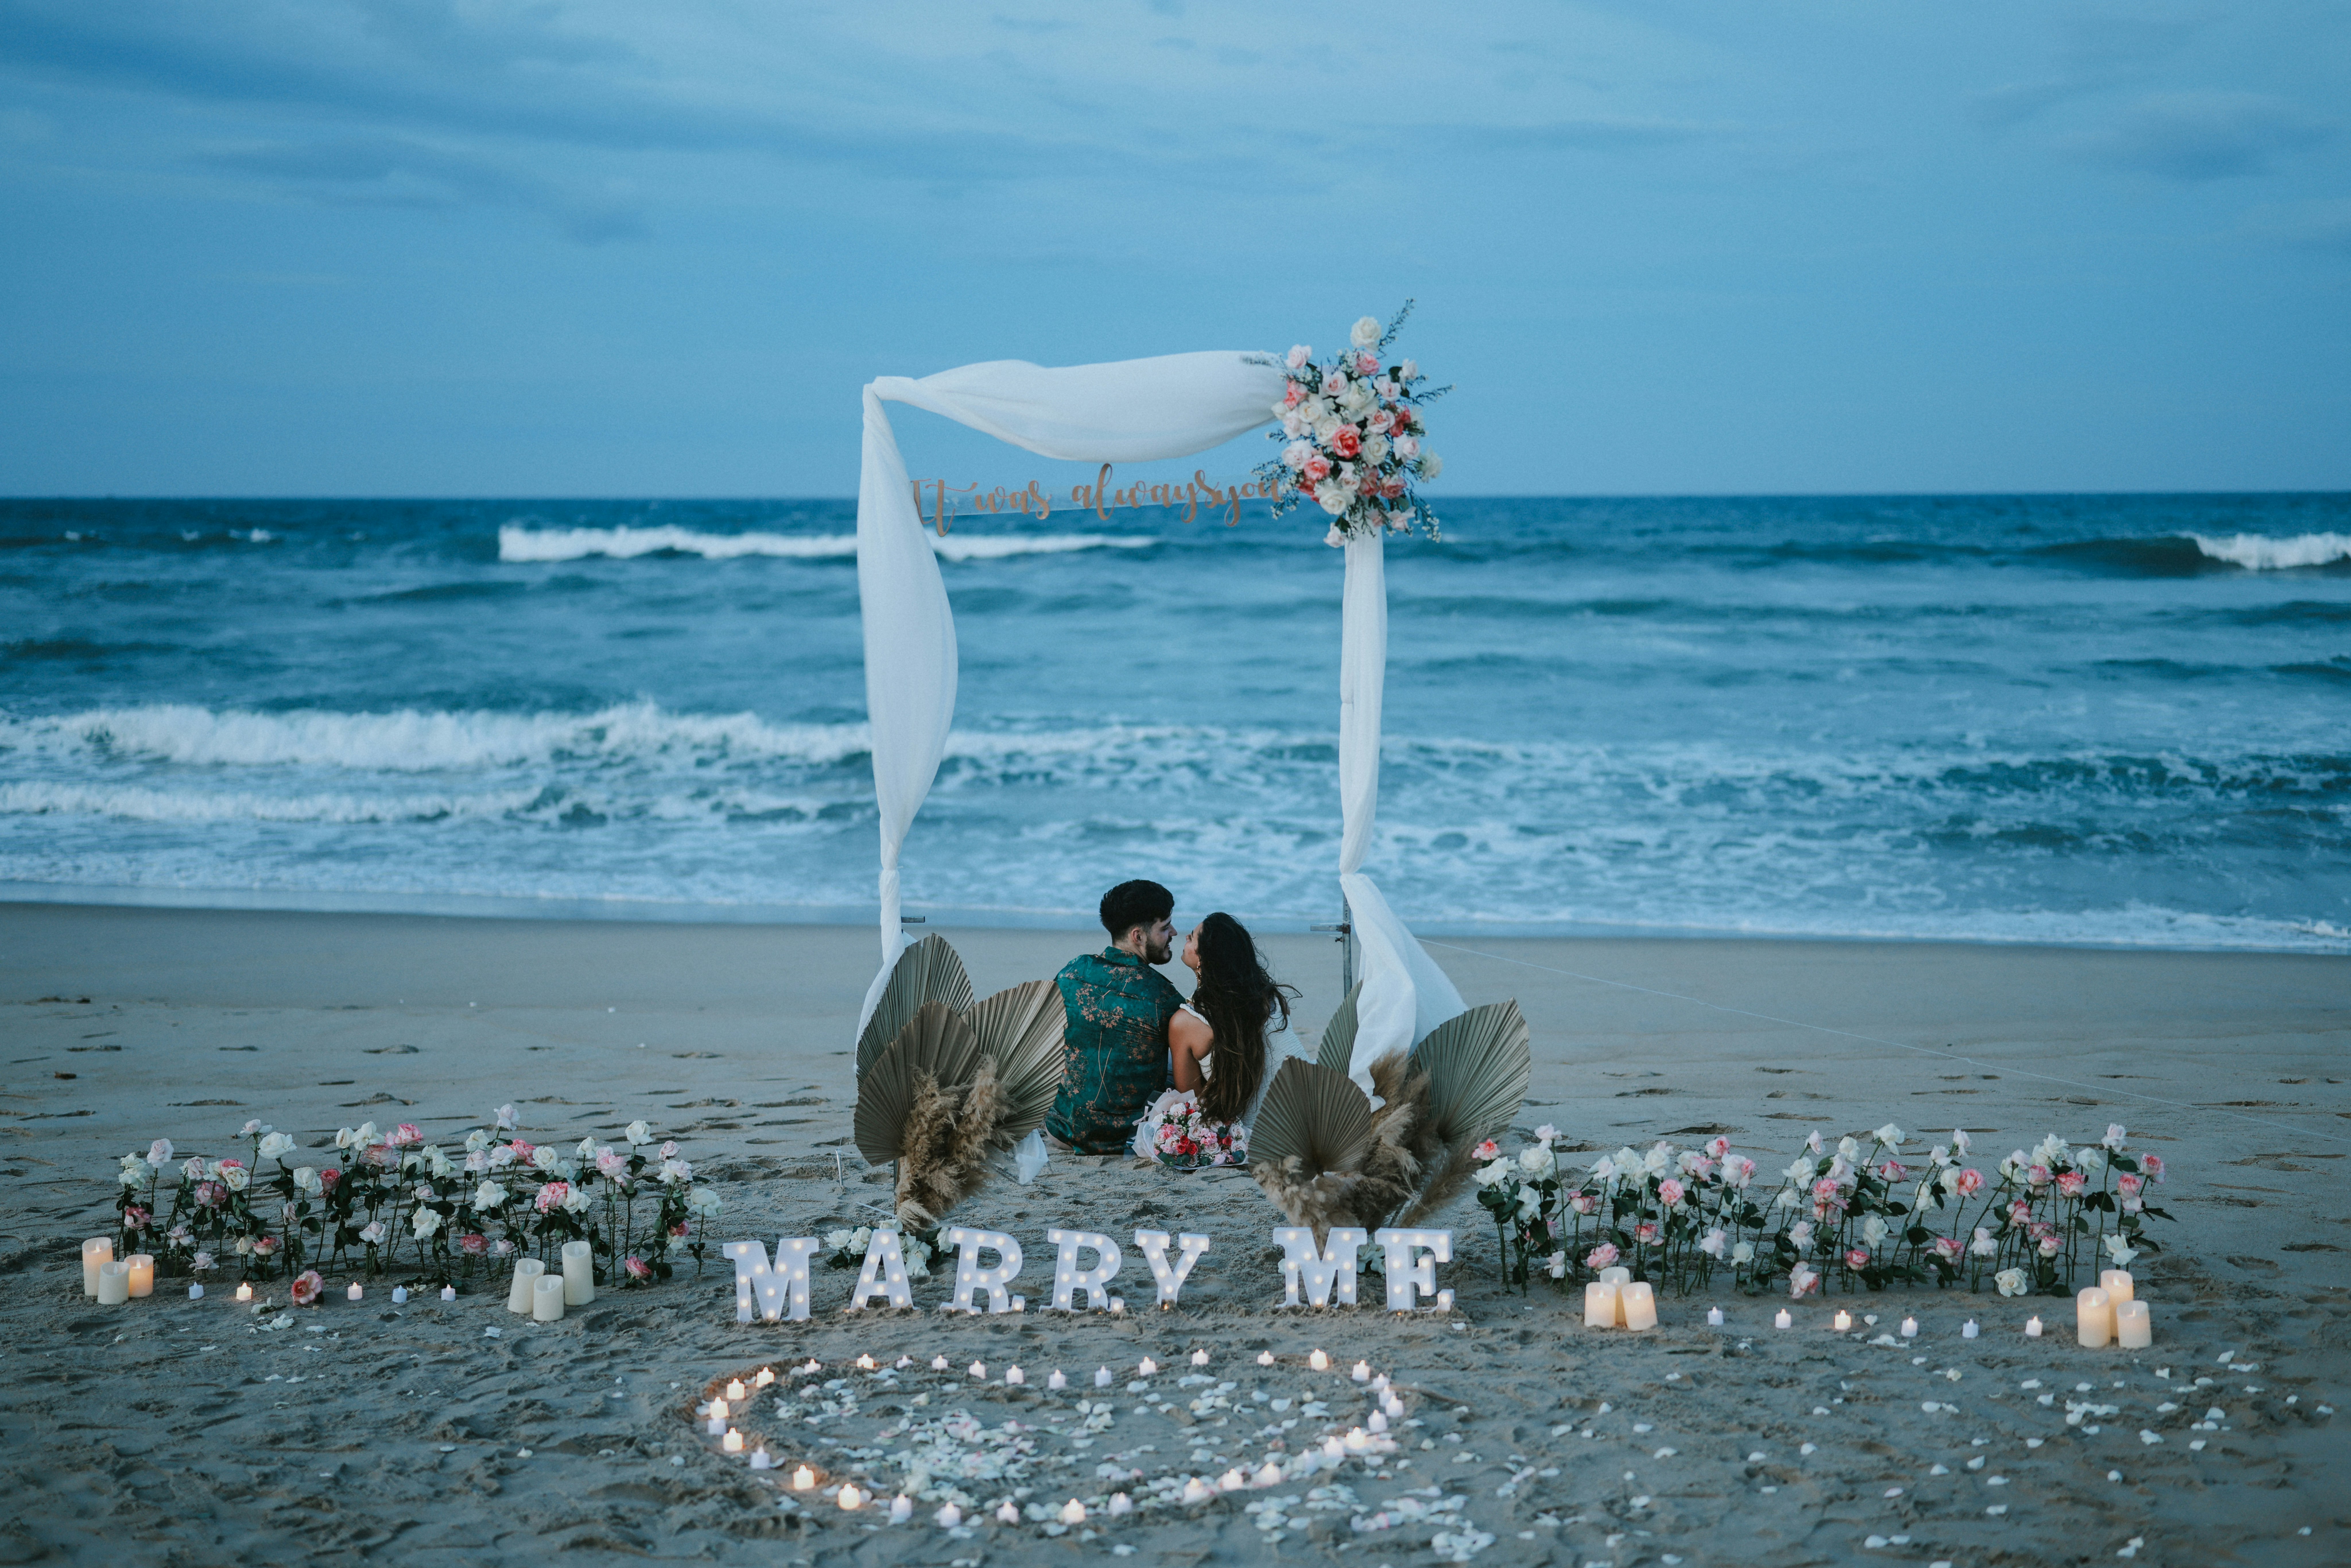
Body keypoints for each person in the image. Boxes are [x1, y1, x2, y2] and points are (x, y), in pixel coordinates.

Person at [1132, 912, 1303, 1162]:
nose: (1184, 938)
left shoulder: (1186, 1022)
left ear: (1203, 959)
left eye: (1191, 938)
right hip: (1312, 1111)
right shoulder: (1271, 1000)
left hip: (1259, 1137)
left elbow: (1190, 1100)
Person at [1046, 879, 1183, 1154]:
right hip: (1126, 1139)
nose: (1174, 932)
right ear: (1139, 937)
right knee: (1187, 1053)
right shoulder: (1163, 996)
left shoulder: (1072, 972)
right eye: (1165, 927)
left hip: (1061, 1130)